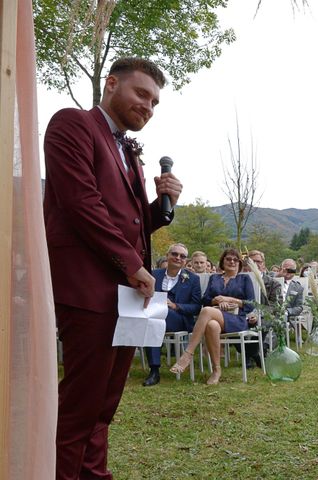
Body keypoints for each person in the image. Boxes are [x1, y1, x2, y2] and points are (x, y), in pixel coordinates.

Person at [43, 57, 183, 479]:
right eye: (142, 94)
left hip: (124, 296)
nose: (149, 107)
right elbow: (81, 204)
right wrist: (131, 264)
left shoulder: (127, 150)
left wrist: (161, 206)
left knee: (103, 407)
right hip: (88, 290)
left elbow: (133, 221)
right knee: (80, 409)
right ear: (111, 84)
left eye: (155, 102)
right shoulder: (73, 124)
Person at [170, 248, 255, 384]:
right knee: (211, 325)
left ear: (239, 263)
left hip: (237, 319)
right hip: (217, 317)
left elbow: (251, 303)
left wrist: (230, 300)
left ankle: (188, 353)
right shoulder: (214, 278)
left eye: (235, 260)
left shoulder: (244, 278)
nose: (232, 262)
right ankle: (216, 370)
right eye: (228, 259)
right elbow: (205, 300)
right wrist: (215, 300)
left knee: (207, 311)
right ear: (222, 261)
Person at [142, 243, 202, 386]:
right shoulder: (154, 274)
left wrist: (176, 306)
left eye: (182, 256)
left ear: (186, 261)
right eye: (174, 254)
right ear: (167, 256)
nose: (178, 258)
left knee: (153, 319)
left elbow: (196, 307)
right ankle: (154, 370)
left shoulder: (193, 279)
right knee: (152, 321)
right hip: (153, 316)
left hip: (180, 319)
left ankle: (154, 370)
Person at [242, 250, 282, 366]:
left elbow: (275, 306)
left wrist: (258, 313)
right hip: (244, 315)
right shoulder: (240, 280)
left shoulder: (274, 283)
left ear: (263, 264)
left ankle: (249, 354)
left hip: (265, 316)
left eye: (258, 261)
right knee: (231, 323)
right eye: (252, 261)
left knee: (264, 323)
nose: (256, 264)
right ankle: (254, 353)